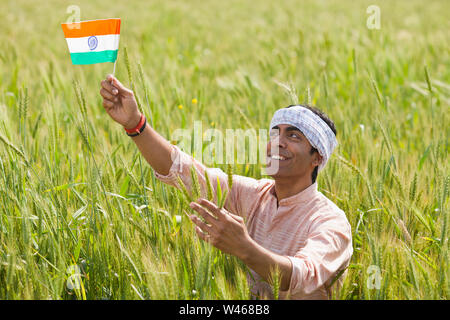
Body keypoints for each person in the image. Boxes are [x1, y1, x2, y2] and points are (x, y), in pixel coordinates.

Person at [99, 74, 353, 300]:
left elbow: (303, 275)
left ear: (317, 157)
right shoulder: (254, 195)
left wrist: (244, 247)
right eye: (275, 134)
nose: (278, 142)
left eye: (293, 136)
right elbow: (183, 170)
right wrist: (135, 124)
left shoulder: (331, 222)